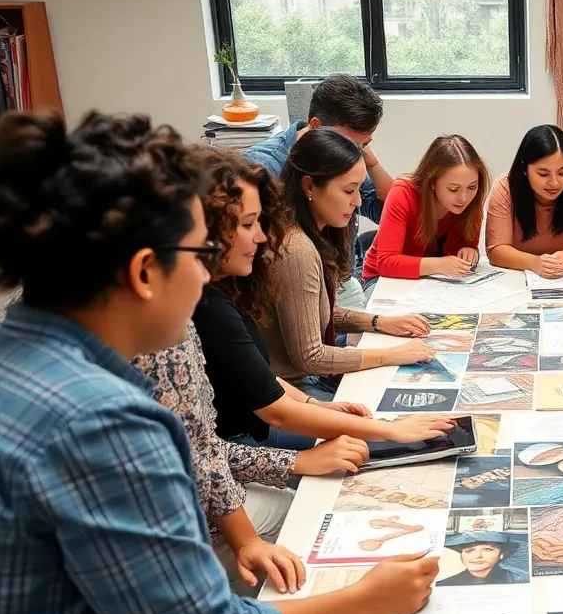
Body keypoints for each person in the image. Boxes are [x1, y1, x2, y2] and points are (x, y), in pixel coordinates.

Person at [0, 110, 437, 614]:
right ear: (144, 271)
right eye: (198, 252)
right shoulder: (103, 421)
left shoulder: (22, 347)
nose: (207, 274)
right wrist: (365, 599)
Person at [192, 147, 458, 451]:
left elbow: (260, 373)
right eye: (248, 224)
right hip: (258, 428)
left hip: (280, 403)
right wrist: (388, 428)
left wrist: (376, 323)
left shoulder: (228, 285)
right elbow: (289, 389)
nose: (358, 202)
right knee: (402, 441)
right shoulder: (221, 299)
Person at [132, 323, 369, 594]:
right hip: (186, 521)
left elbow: (203, 447)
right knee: (310, 517)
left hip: (196, 495)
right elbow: (202, 454)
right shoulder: (167, 333)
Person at [264, 128, 434, 401]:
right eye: (348, 191)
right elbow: (311, 357)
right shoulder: (296, 249)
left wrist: (378, 322)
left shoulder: (312, 235)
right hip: (296, 388)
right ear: (309, 187)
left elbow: (317, 312)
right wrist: (390, 355)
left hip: (309, 378)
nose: (357, 201)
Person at [245, 75, 390, 309]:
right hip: (287, 290)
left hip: (340, 279)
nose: (354, 153)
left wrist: (370, 160)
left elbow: (386, 212)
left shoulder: (348, 158)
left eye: (362, 145)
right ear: (314, 125)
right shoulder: (262, 167)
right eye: (350, 144)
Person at [361, 134, 489, 293]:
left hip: (435, 282)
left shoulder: (473, 202)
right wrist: (440, 264)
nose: (464, 198)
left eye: (472, 187)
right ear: (432, 181)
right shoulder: (402, 194)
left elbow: (467, 245)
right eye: (453, 189)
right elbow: (386, 263)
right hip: (382, 280)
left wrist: (470, 252)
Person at [485, 124, 563, 278]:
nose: (554, 183)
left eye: (562, 172)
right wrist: (535, 263)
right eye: (543, 174)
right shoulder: (505, 187)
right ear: (525, 169)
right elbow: (496, 250)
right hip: (517, 277)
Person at [435, 532, 526, 586]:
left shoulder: (519, 579)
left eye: (487, 550)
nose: (478, 555)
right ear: (461, 555)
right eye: (469, 550)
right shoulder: (445, 584)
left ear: (501, 555)